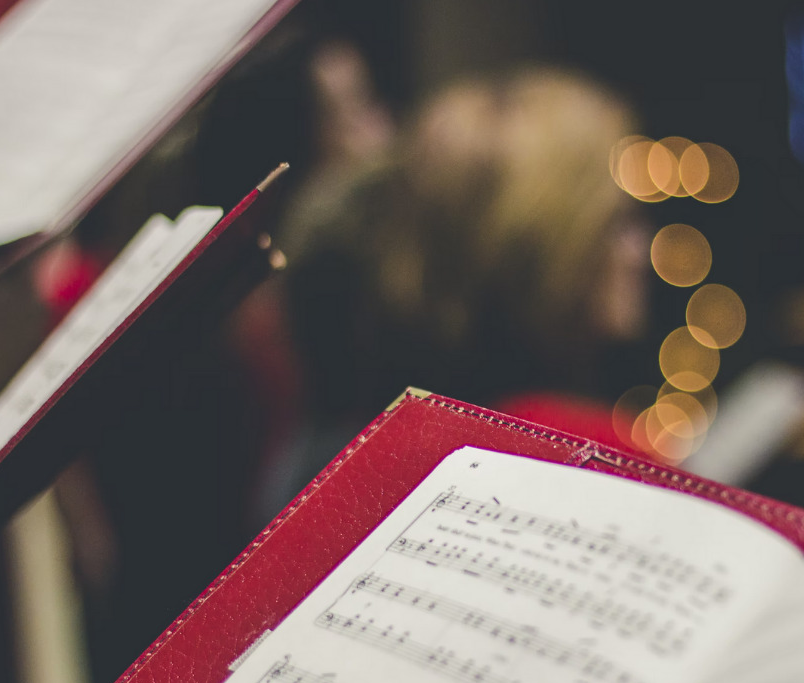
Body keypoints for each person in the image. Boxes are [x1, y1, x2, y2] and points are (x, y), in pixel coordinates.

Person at [265, 67, 650, 510]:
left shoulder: (359, 452)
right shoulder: (592, 452)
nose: (639, 251)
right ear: (546, 248)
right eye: (618, 222)